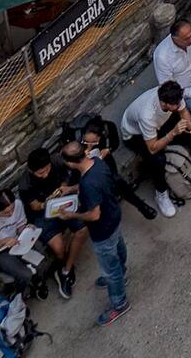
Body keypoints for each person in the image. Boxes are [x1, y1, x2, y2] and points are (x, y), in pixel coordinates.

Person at [55, 138, 129, 326]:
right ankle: (122, 273)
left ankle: (120, 303)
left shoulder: (88, 184)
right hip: (114, 215)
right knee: (118, 246)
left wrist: (71, 215)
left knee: (110, 269)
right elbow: (93, 184)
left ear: (71, 163)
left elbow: (94, 215)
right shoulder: (97, 163)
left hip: (102, 229)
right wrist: (71, 188)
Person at [120, 80, 191, 218]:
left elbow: (184, 112)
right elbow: (153, 148)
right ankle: (161, 194)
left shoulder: (174, 97)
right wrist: (172, 133)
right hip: (135, 135)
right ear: (164, 103)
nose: (179, 105)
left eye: (179, 102)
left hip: (160, 123)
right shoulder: (147, 115)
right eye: (176, 105)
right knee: (157, 159)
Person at [16, 148, 82, 297]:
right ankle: (63, 266)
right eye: (40, 173)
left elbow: (67, 174)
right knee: (58, 248)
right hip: (41, 214)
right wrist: (47, 204)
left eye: (47, 170)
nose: (45, 175)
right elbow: (35, 206)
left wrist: (64, 186)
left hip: (63, 201)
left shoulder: (56, 161)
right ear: (31, 170)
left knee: (81, 229)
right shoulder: (25, 184)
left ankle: (66, 267)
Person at [0, 187, 43, 296]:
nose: (11, 214)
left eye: (12, 209)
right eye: (6, 213)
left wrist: (26, 229)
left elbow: (20, 226)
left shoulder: (17, 204)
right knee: (25, 274)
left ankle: (36, 281)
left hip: (16, 242)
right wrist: (3, 242)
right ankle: (19, 294)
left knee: (39, 257)